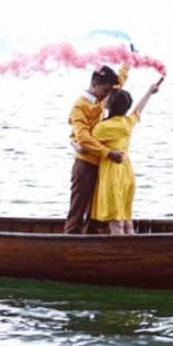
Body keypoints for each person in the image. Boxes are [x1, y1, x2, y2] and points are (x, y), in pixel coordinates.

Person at [90, 77, 163, 235]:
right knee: (126, 220)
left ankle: (121, 256)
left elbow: (87, 144)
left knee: (115, 221)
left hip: (111, 173)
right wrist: (149, 92)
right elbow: (138, 110)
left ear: (110, 105)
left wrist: (75, 144)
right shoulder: (126, 123)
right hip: (126, 172)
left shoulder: (102, 128)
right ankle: (133, 251)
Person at [64, 64, 129, 234]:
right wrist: (108, 153)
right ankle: (70, 241)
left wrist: (128, 61)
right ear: (96, 85)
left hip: (102, 165)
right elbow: (84, 138)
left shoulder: (104, 98)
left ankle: (91, 243)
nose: (109, 95)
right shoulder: (79, 107)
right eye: (106, 90)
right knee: (79, 207)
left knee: (96, 209)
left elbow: (119, 83)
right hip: (85, 164)